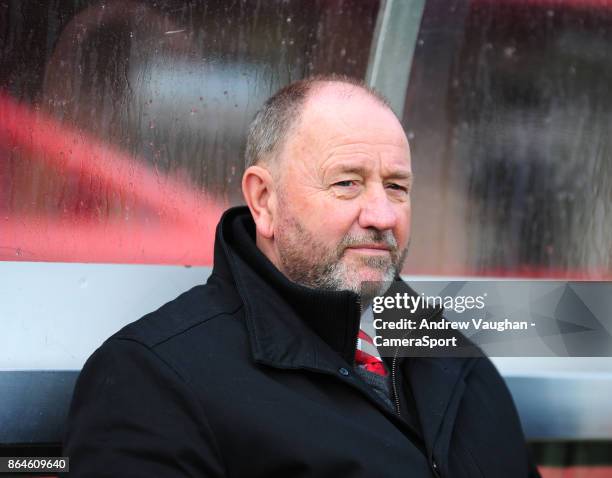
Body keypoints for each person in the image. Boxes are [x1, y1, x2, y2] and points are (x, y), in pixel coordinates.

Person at [63, 75, 541, 477]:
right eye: (346, 182)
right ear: (264, 200)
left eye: (396, 187)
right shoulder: (154, 380)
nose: (380, 214)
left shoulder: (451, 355)